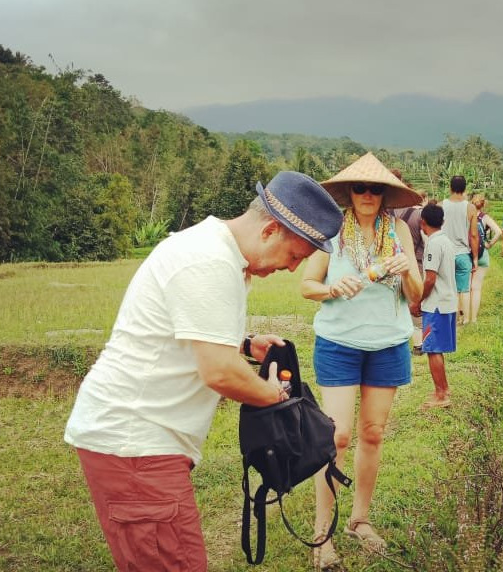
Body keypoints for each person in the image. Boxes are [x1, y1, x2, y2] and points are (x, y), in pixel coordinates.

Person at [64, 171, 343, 572]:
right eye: (295, 256)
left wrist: (245, 345)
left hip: (143, 441)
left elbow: (189, 330)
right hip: (136, 444)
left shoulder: (217, 253)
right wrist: (276, 397)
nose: (291, 268)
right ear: (269, 230)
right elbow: (220, 373)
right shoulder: (208, 261)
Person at [300, 152, 423, 570]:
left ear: (386, 194)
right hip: (339, 343)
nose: (368, 195)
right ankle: (323, 533)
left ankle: (360, 520)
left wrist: (406, 271)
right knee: (336, 437)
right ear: (349, 193)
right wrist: (334, 289)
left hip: (387, 344)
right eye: (360, 188)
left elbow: (417, 295)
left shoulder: (400, 231)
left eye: (375, 189)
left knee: (372, 433)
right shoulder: (332, 231)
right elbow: (307, 285)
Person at [417, 201, 457, 408]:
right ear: (442, 221)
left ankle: (441, 394)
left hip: (436, 305)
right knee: (437, 348)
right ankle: (444, 388)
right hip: (448, 301)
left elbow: (430, 279)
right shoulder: (447, 242)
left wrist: (418, 299)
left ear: (423, 222)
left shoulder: (433, 243)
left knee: (432, 349)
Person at [393, 178, 429, 354]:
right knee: (416, 304)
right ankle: (418, 343)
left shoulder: (390, 213)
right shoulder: (420, 215)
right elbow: (427, 240)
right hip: (417, 261)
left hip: (391, 265)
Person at [441, 175, 479, 325]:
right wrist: (475, 258)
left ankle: (454, 319)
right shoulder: (470, 208)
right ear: (464, 189)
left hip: (445, 254)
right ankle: (468, 320)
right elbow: (474, 235)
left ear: (450, 188)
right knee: (464, 289)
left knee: (450, 288)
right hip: (463, 253)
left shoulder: (440, 205)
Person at [468, 193, 502, 324]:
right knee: (476, 288)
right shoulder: (484, 217)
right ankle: (474, 319)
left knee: (465, 287)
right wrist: (489, 244)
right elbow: (498, 231)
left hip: (468, 253)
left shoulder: (467, 216)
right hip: (482, 254)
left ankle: (463, 316)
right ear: (483, 205)